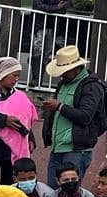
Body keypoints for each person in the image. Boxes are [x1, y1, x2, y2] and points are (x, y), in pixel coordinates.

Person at [42, 46, 105, 187]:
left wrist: (59, 106)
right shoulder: (63, 84)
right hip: (57, 148)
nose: (61, 75)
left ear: (75, 68)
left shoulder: (92, 86)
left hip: (76, 150)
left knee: (70, 193)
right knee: (52, 193)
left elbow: (85, 116)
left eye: (64, 71)